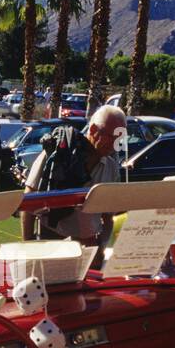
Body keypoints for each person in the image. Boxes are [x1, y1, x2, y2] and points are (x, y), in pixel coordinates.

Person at [51, 105, 127, 246]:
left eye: (120, 140)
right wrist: (29, 242)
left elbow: (108, 216)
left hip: (89, 245)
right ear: (93, 130)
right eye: (111, 137)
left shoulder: (111, 168)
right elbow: (29, 200)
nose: (115, 145)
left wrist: (102, 245)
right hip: (52, 243)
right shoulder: (60, 152)